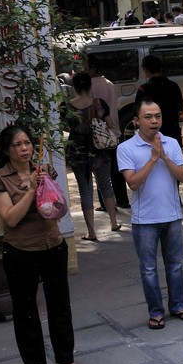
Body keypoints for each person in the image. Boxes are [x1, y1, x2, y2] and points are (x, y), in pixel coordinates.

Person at [0, 123, 77, 364]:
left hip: (53, 244)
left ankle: (66, 357)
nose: (25, 149)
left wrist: (46, 188)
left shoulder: (45, 170)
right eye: (17, 145)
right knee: (26, 310)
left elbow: (57, 205)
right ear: (6, 150)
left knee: (60, 304)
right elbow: (10, 218)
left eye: (27, 143)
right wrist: (31, 190)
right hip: (21, 250)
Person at [118, 100, 183, 329]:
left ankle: (178, 306)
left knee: (175, 264)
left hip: (171, 215)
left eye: (158, 116)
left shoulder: (170, 143)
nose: (154, 121)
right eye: (148, 117)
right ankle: (156, 312)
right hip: (145, 220)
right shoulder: (126, 149)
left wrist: (164, 156)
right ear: (136, 121)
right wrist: (153, 158)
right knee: (149, 268)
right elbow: (132, 183)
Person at [63, 72, 119, 240]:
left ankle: (92, 232)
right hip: (99, 151)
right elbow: (110, 125)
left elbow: (66, 128)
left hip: (78, 152)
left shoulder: (66, 107)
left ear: (74, 87)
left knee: (85, 191)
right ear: (90, 86)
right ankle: (114, 222)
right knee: (106, 185)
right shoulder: (98, 104)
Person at [84, 57, 129, 212]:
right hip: (114, 131)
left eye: (85, 67)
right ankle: (123, 200)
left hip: (98, 135)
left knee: (101, 171)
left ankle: (105, 203)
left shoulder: (89, 87)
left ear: (93, 68)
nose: (83, 70)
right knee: (117, 169)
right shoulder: (109, 84)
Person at [136, 54, 183, 139]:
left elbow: (137, 112)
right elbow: (180, 111)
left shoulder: (143, 89)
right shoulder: (173, 86)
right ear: (161, 68)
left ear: (145, 70)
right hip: (172, 130)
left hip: (152, 131)